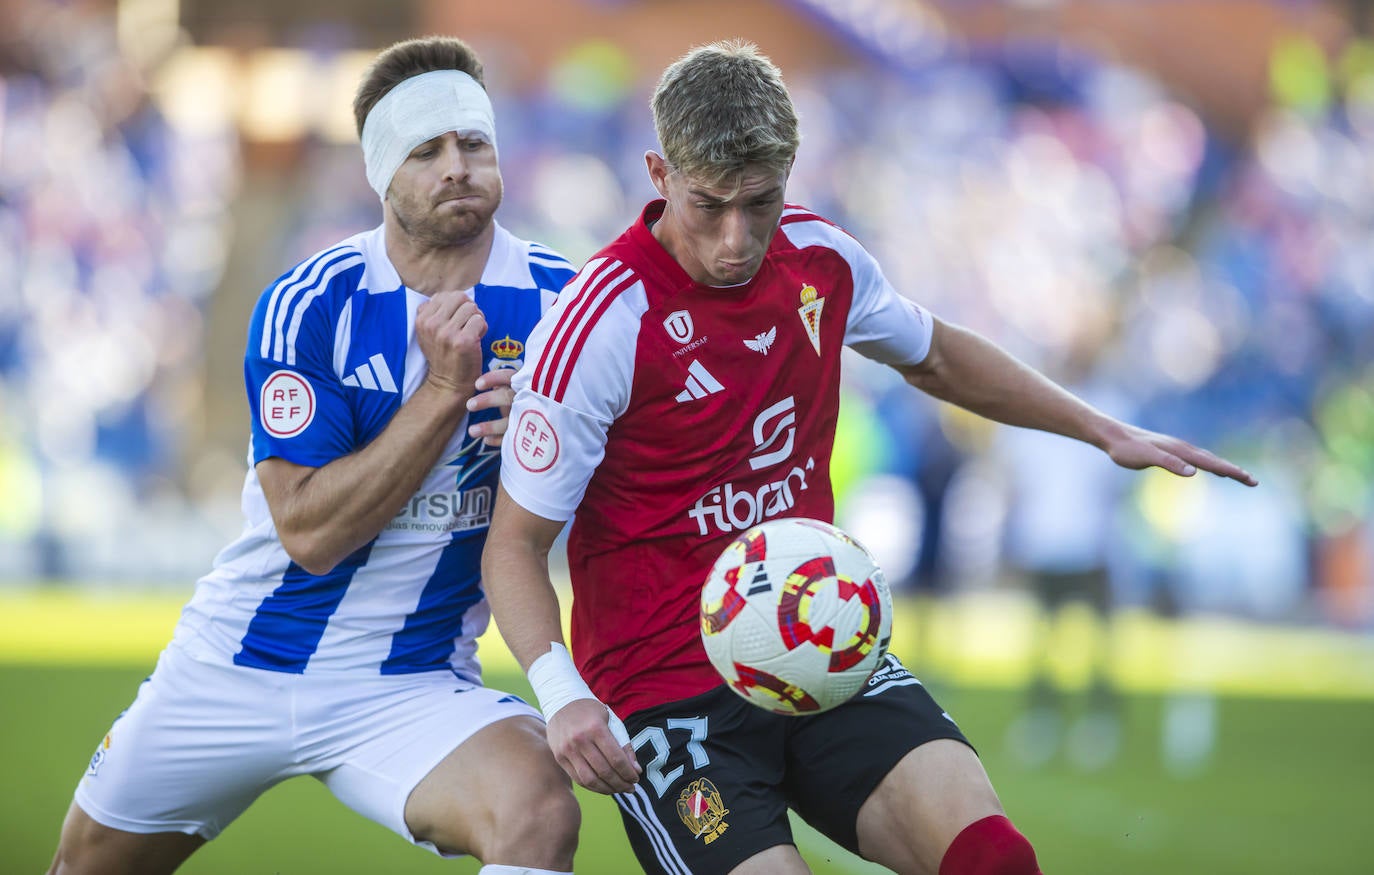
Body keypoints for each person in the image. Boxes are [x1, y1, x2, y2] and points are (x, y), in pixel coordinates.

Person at [481, 40, 1258, 875]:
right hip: (665, 693)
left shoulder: (824, 260)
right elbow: (514, 546)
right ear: (659, 174)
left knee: (995, 859)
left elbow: (936, 354)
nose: (737, 238)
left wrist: (1100, 428)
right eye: (710, 205)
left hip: (821, 649)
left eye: (762, 202)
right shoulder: (602, 321)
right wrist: (562, 698)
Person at [48, 36, 581, 875]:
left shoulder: (568, 305)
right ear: (380, 173)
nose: (457, 167)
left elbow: (631, 483)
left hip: (408, 682)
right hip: (240, 663)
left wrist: (563, 433)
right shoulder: (309, 303)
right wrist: (444, 393)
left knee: (539, 807)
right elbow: (309, 531)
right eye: (425, 150)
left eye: (473, 144)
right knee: (86, 867)